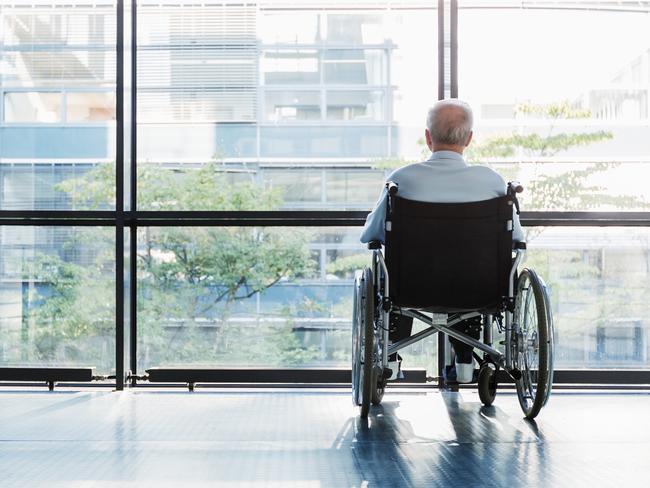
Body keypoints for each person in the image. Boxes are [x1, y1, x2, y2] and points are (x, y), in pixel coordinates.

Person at [360, 98, 524, 383]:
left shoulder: (401, 181)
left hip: (410, 289)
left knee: (390, 273)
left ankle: (389, 356)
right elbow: (518, 241)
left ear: (427, 137)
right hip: (480, 290)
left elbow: (371, 236)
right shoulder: (493, 183)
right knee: (470, 269)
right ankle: (465, 362)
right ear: (469, 139)